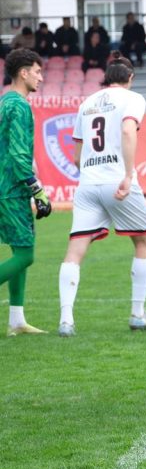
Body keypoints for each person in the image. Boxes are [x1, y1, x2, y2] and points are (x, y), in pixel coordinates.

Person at [57, 53, 146, 337]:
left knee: (75, 249)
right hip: (117, 181)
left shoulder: (87, 103)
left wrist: (92, 173)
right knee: (142, 242)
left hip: (88, 183)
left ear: (106, 77)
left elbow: (76, 156)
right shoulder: (133, 98)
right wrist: (127, 174)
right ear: (130, 77)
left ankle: (66, 319)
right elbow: (127, 130)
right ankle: (137, 314)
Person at [0, 49, 52, 336]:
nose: (41, 77)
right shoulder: (19, 106)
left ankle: (16, 320)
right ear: (23, 73)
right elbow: (19, 154)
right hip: (12, 190)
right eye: (37, 71)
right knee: (26, 255)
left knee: (19, 250)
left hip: (5, 187)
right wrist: (37, 189)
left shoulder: (5, 101)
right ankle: (16, 320)